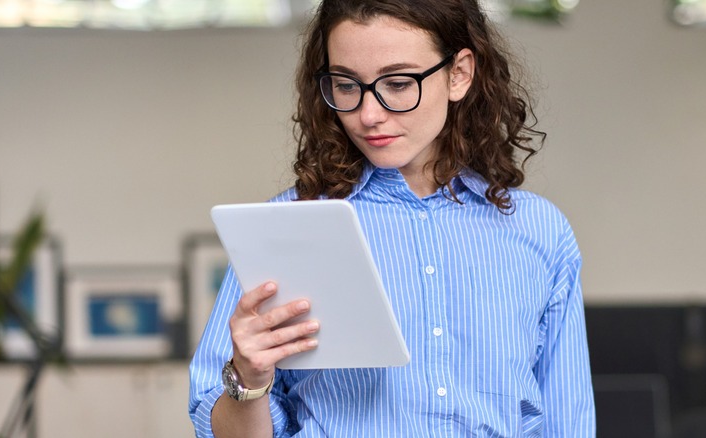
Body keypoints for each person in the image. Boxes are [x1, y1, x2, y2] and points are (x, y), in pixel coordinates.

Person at [189, 0, 595, 436]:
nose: (368, 114)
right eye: (346, 85)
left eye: (399, 83)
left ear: (459, 73)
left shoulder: (538, 231)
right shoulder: (286, 227)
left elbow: (566, 421)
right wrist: (249, 379)